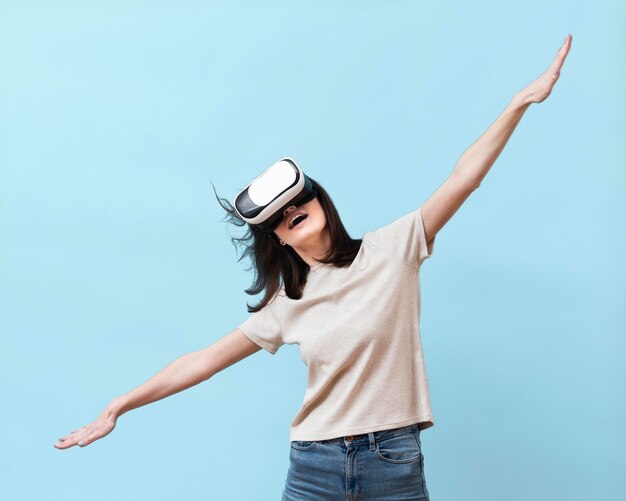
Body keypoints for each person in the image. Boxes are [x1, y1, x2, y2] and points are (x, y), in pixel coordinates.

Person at [55, 34, 572, 500]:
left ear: (318, 198)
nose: (289, 213)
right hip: (312, 466)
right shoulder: (288, 304)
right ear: (275, 237)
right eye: (277, 218)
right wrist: (119, 405)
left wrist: (518, 103)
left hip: (392, 460)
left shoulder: (394, 249)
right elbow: (202, 361)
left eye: (296, 200)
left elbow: (463, 179)